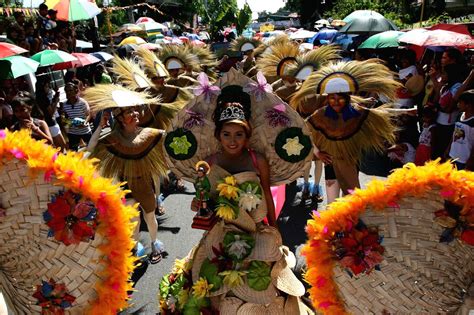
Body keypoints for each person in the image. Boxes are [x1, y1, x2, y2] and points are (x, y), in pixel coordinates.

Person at [160, 74, 312, 313]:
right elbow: (203, 200)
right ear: (218, 135)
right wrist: (200, 201)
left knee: (263, 284)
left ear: (247, 135)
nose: (233, 141)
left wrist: (275, 229)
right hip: (221, 232)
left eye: (239, 134)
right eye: (227, 134)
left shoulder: (257, 159)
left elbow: (266, 195)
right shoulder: (209, 162)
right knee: (216, 287)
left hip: (257, 230)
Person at [291, 59, 400, 202]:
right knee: (332, 196)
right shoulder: (320, 114)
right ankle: (332, 220)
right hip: (330, 159)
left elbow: (381, 114)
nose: (335, 102)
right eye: (332, 98)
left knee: (351, 196)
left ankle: (350, 219)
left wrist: (407, 111)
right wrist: (318, 152)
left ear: (347, 99)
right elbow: (305, 131)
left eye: (340, 99)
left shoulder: (357, 112)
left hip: (350, 158)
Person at [85, 84, 168, 264]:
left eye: (135, 110)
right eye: (130, 112)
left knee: (150, 217)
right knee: (133, 220)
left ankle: (154, 244)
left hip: (144, 183)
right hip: (125, 185)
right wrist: (100, 125)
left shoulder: (149, 134)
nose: (136, 114)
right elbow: (91, 148)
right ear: (121, 118)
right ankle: (134, 248)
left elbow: (170, 137)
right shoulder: (112, 139)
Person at [35, 76, 67, 150]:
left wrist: (55, 96)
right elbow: (51, 113)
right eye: (46, 86)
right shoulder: (43, 98)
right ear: (42, 87)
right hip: (51, 124)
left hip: (50, 123)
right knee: (61, 147)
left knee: (59, 147)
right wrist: (56, 101)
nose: (48, 88)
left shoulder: (39, 97)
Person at [448, 89, 474, 170]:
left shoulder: (473, 121)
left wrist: (470, 160)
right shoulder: (459, 116)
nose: (458, 105)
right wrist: (448, 149)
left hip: (464, 159)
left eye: (460, 103)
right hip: (453, 155)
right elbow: (454, 134)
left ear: (468, 105)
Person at [61, 82, 92, 151]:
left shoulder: (82, 102)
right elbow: (63, 119)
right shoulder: (64, 105)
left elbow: (89, 114)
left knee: (92, 149)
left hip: (85, 131)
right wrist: (68, 122)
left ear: (76, 91)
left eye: (70, 90)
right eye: (66, 91)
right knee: (73, 152)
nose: (68, 93)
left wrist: (85, 122)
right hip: (73, 132)